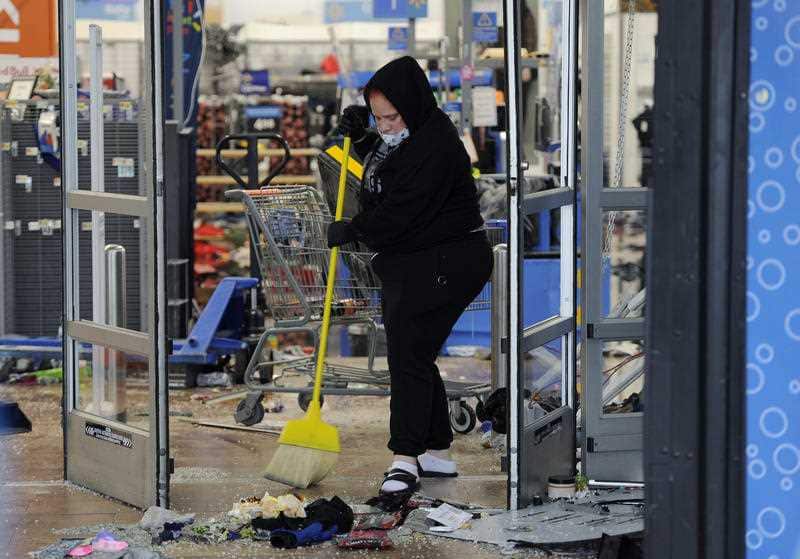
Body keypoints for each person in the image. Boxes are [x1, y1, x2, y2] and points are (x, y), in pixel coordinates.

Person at [326, 56, 493, 494]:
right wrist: (362, 137)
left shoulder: (436, 144)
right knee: (414, 352)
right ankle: (434, 451)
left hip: (447, 262)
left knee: (407, 355)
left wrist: (353, 229)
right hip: (418, 259)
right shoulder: (409, 136)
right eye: (378, 117)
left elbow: (402, 207)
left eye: (391, 117)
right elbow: (386, 169)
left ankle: (405, 458)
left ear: (414, 105)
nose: (385, 126)